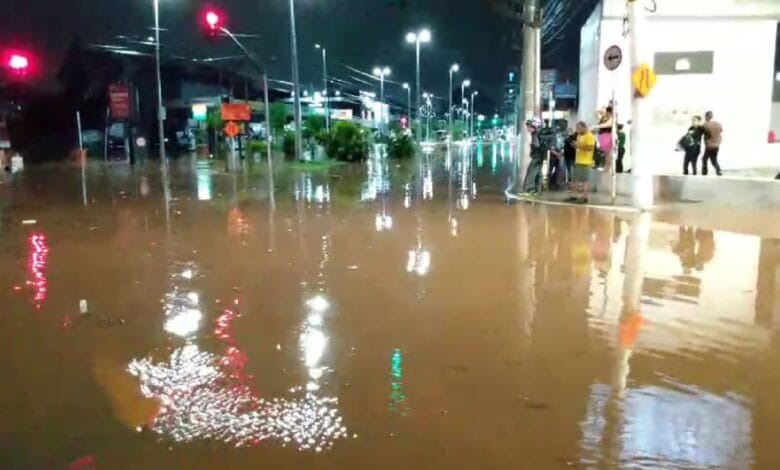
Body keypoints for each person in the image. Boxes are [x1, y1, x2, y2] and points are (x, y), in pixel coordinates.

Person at [567, 121, 596, 204]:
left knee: (584, 180)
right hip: (578, 160)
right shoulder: (579, 136)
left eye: (579, 129)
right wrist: (575, 145)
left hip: (585, 162)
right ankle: (574, 196)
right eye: (577, 129)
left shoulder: (589, 136)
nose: (577, 131)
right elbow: (578, 146)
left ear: (584, 127)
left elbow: (589, 148)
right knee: (574, 179)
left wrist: (578, 146)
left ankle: (584, 197)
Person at [521, 118, 549, 194]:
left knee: (531, 172)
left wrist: (533, 149)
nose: (527, 129)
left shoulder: (535, 135)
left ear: (533, 127)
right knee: (538, 172)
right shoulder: (538, 134)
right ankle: (538, 189)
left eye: (528, 127)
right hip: (540, 156)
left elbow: (537, 146)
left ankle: (530, 189)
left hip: (537, 157)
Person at [701, 111, 723, 176]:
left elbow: (702, 133)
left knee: (704, 159)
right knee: (713, 159)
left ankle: (704, 172)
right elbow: (721, 131)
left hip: (709, 145)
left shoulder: (705, 124)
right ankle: (719, 171)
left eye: (705, 116)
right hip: (716, 145)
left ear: (706, 116)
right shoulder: (718, 123)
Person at [596, 106, 615, 172]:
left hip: (607, 136)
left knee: (608, 154)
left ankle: (608, 169)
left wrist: (596, 126)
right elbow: (596, 113)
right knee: (606, 155)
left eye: (606, 111)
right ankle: (607, 168)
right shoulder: (604, 118)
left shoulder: (611, 119)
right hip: (603, 136)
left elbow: (607, 125)